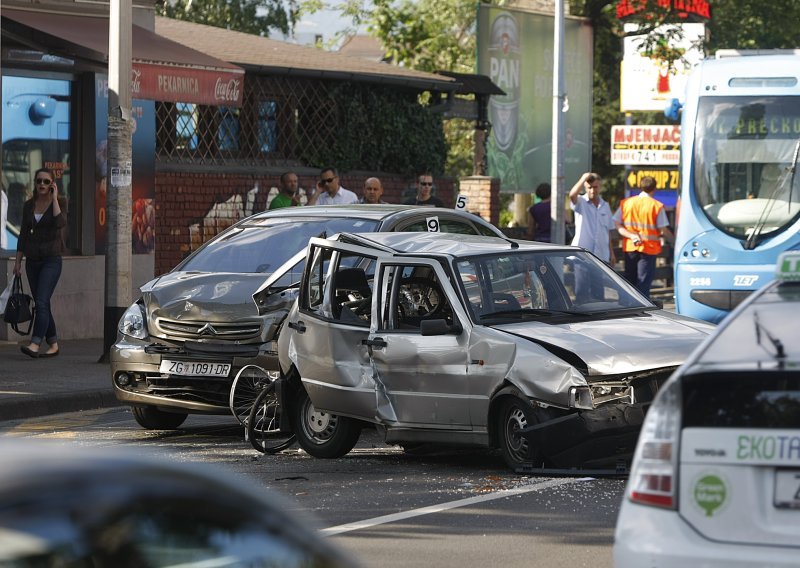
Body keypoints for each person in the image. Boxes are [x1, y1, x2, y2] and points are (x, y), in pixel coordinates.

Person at [14, 168, 67, 358]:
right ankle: (53, 343)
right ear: (35, 183)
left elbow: (60, 223)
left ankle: (35, 343)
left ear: (52, 184)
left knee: (42, 302)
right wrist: (18, 262)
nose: (42, 185)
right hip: (32, 260)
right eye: (39, 181)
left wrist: (54, 199)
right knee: (42, 303)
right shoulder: (29, 205)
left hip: (51, 260)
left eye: (46, 182)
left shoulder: (60, 203)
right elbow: (22, 234)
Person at [613, 175, 674, 299]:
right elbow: (663, 229)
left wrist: (630, 235)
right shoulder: (656, 205)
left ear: (640, 187)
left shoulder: (627, 203)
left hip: (631, 246)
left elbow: (616, 222)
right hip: (649, 248)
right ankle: (641, 306)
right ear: (654, 189)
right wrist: (674, 241)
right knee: (644, 280)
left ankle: (627, 304)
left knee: (630, 278)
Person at [569, 172, 616, 304]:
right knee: (582, 291)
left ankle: (599, 319)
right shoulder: (581, 202)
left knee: (599, 291)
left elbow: (607, 231)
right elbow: (572, 195)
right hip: (582, 254)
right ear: (585, 187)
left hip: (601, 254)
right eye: (589, 187)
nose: (592, 190)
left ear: (599, 187)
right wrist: (583, 177)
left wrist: (611, 252)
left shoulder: (605, 205)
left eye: (595, 187)